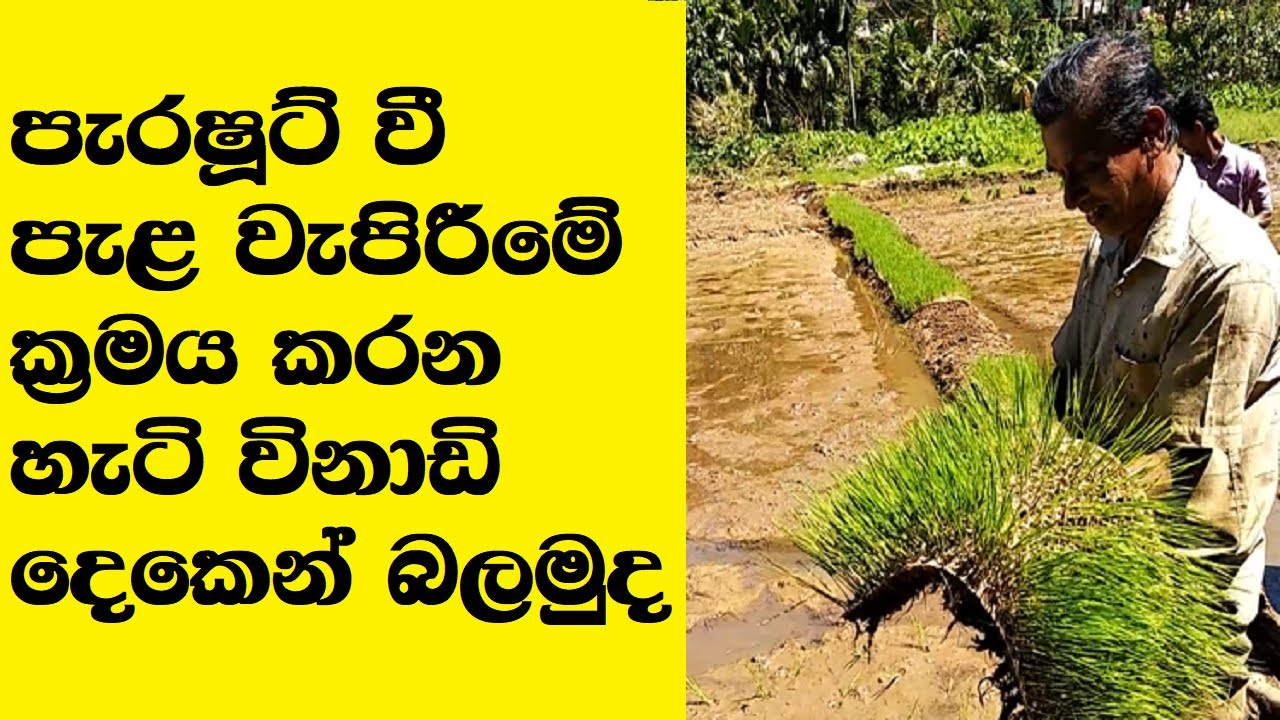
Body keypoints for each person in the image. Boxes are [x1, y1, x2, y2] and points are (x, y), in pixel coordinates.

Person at [1034, 34, 1280, 718]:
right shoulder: (1109, 243)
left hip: (1181, 611)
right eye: (1058, 174)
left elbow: (1191, 504)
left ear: (1148, 133)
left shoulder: (1229, 272)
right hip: (1109, 567)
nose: (1067, 198)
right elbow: (1068, 384)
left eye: (1082, 170)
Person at [1172, 88, 1273, 228]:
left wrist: (1239, 230)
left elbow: (1265, 213)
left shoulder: (1248, 164)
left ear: (1197, 129)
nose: (1179, 144)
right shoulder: (1184, 169)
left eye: (1180, 136)